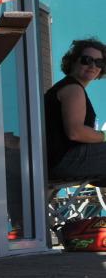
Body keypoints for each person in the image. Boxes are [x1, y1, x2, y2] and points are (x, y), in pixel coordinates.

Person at [44, 38, 106, 186]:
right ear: (73, 61)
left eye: (99, 62)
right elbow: (75, 132)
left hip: (53, 162)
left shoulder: (68, 87)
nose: (92, 66)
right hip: (62, 161)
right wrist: (103, 136)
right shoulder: (73, 89)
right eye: (86, 60)